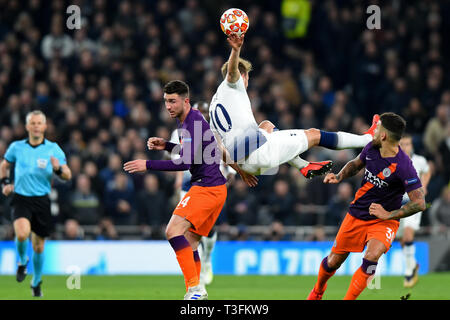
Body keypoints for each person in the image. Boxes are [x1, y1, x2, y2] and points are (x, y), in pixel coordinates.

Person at [123, 80, 255, 300]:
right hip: (214, 188)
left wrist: (147, 165)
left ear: (185, 100)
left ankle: (193, 289)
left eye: (173, 101)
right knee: (192, 242)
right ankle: (198, 291)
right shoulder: (187, 121)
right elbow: (197, 154)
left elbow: (184, 162)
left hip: (206, 188)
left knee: (172, 231)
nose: (168, 106)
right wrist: (167, 145)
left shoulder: (192, 122)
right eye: (166, 101)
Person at [307, 113, 426, 300]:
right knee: (333, 262)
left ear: (384, 135)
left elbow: (419, 202)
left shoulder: (404, 166)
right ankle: (318, 291)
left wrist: (388, 215)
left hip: (383, 220)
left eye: (377, 128)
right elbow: (356, 165)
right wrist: (339, 176)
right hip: (357, 213)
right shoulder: (372, 147)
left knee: (372, 257)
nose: (374, 130)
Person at [0, 110, 72, 297]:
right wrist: (5, 183)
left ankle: (36, 281)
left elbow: (67, 174)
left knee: (39, 246)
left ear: (45, 126)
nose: (36, 126)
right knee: (22, 234)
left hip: (41, 200)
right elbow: (4, 165)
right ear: (27, 127)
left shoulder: (53, 149)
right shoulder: (16, 147)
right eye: (33, 123)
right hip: (21, 198)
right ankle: (23, 261)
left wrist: (57, 169)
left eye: (39, 123)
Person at [398, 134, 431, 288]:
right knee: (402, 239)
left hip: (414, 202)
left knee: (408, 233)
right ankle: (413, 264)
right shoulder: (395, 161)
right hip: (398, 204)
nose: (405, 147)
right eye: (402, 144)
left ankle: (409, 273)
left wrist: (424, 185)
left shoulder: (419, 160)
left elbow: (427, 170)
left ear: (412, 146)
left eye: (407, 144)